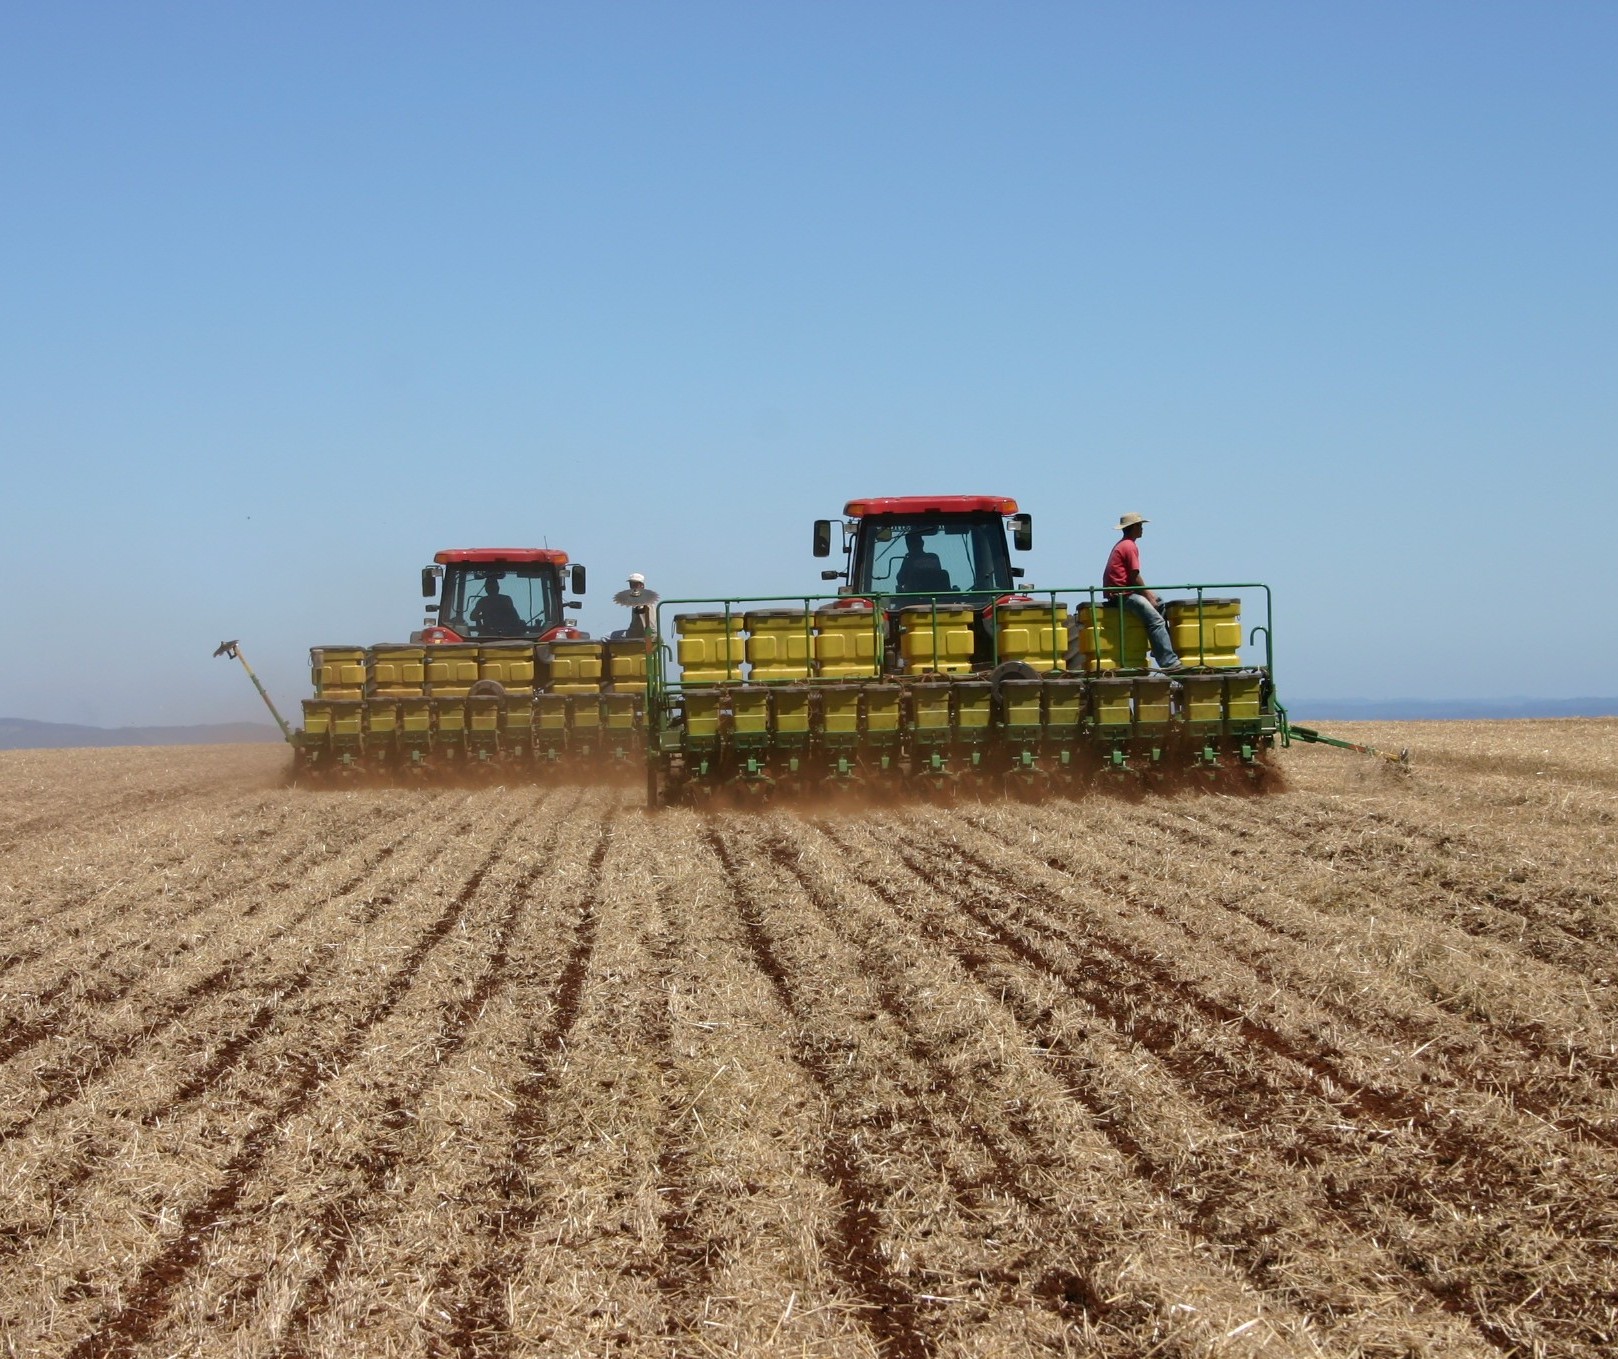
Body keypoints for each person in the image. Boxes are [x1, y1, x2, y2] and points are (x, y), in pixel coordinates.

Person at [1104, 513, 1183, 672]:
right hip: (1122, 595)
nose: (1142, 529)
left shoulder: (1123, 544)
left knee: (1160, 603)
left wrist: (1151, 596)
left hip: (1122, 591)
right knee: (1156, 621)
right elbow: (1134, 575)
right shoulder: (1129, 546)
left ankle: (1159, 648)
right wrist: (1147, 595)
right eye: (1140, 526)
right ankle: (1169, 663)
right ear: (1133, 528)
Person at [612, 572, 659, 639]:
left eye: (635, 584)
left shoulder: (640, 601)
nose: (632, 587)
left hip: (637, 635)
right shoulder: (651, 599)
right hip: (651, 634)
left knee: (605, 637)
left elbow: (641, 608)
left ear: (642, 585)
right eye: (631, 584)